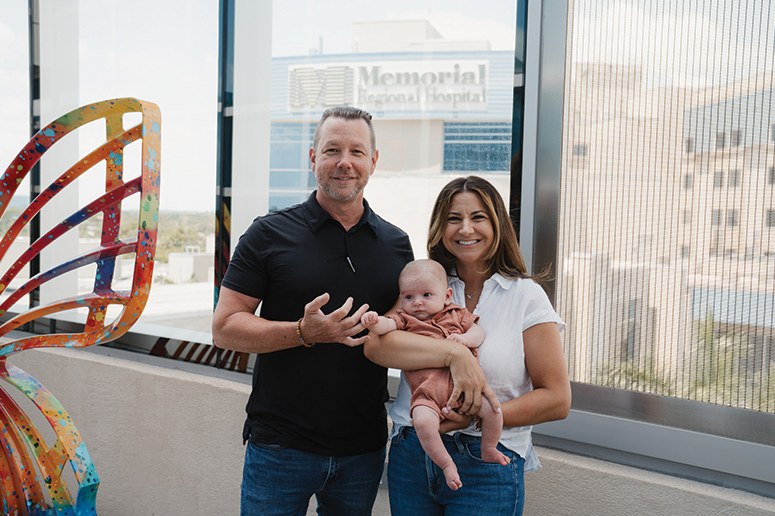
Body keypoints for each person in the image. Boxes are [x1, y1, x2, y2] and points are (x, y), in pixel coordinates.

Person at [211, 106, 416, 516]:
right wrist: (303, 333)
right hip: (280, 447)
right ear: (312, 158)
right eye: (332, 150)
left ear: (373, 161)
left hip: (363, 448)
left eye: (357, 151)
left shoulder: (397, 245)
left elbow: (406, 327)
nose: (345, 162)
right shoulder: (267, 233)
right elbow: (225, 329)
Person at [364, 175, 572, 515]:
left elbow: (557, 399)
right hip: (413, 453)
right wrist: (454, 352)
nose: (465, 229)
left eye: (478, 217)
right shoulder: (428, 289)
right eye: (453, 219)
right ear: (440, 229)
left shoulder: (526, 297)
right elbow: (376, 347)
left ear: (498, 225)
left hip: (487, 464)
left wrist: (476, 417)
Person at [361, 259, 509, 491]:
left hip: (467, 392)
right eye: (409, 297)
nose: (417, 303)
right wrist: (374, 321)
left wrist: (464, 341)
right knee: (422, 422)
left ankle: (489, 447)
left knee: (493, 410)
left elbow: (478, 332)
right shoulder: (404, 320)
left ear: (447, 296)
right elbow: (383, 329)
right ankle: (447, 464)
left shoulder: (457, 314)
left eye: (427, 295)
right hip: (427, 395)